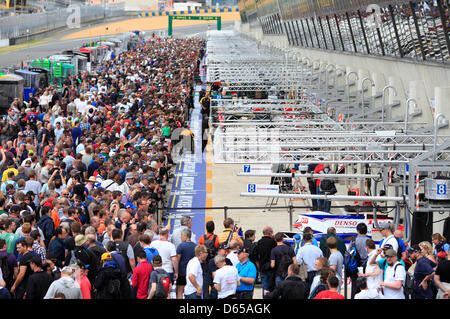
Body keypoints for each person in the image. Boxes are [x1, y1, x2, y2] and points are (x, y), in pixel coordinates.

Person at [255, 226, 276, 298]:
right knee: (272, 287)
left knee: (265, 287)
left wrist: (258, 267)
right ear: (270, 233)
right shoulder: (272, 242)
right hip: (271, 267)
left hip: (262, 268)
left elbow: (255, 256)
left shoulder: (259, 242)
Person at [176, 228, 196, 299]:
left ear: (185, 236)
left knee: (179, 291)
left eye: (181, 235)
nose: (180, 237)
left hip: (182, 272)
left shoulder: (181, 246)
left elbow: (177, 260)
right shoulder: (195, 246)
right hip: (192, 273)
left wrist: (176, 272)